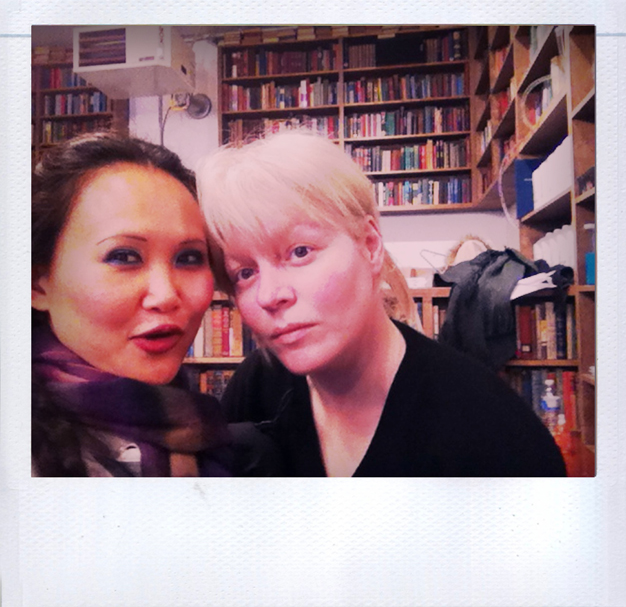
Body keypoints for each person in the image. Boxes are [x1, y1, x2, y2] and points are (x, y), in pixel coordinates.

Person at [196, 130, 567, 477]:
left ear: (370, 245)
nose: (268, 296)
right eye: (245, 273)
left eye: (300, 251)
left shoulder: (496, 438)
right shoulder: (257, 387)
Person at [31, 132, 233, 477]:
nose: (165, 295)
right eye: (123, 256)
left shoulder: (206, 433)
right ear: (38, 283)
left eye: (189, 257)